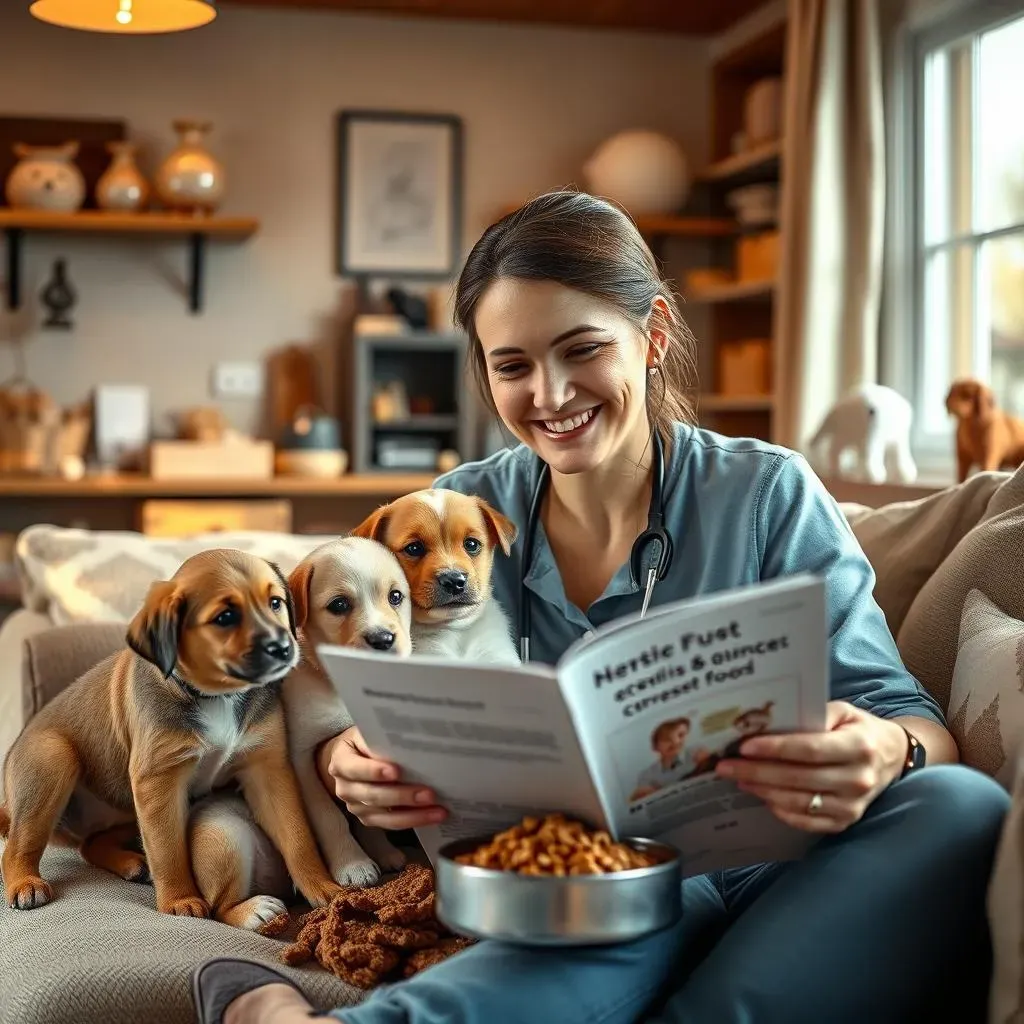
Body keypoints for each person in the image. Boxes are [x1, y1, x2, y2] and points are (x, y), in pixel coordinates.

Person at [192, 190, 1009, 1024]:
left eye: (581, 350)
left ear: (653, 336)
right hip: (580, 883)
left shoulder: (767, 493)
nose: (549, 395)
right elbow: (342, 680)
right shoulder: (448, 521)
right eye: (511, 366)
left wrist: (885, 751)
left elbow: (913, 724)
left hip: (784, 861)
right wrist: (347, 762)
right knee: (621, 905)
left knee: (963, 805)